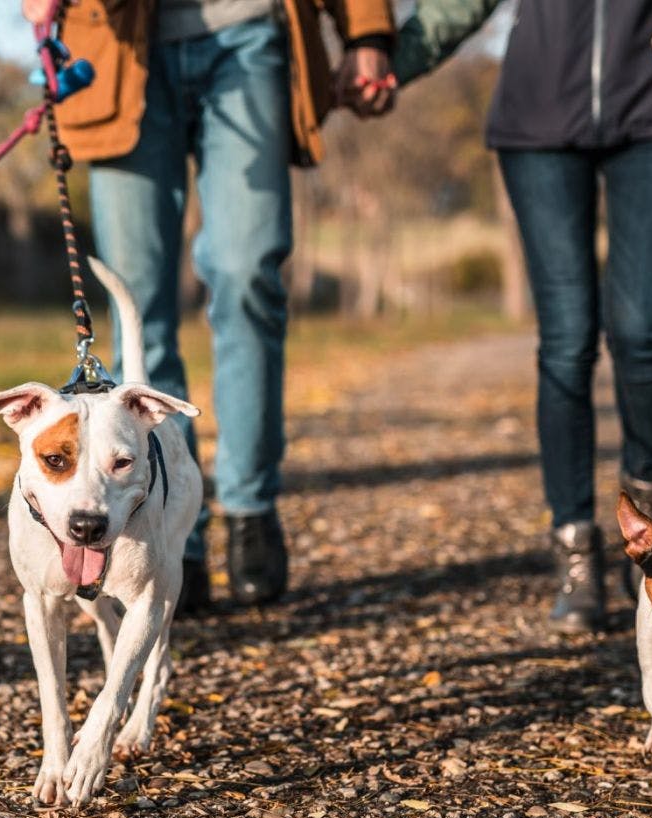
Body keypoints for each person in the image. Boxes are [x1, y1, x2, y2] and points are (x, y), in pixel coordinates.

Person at [25, 0, 398, 609]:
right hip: (115, 44)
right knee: (137, 309)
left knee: (248, 273)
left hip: (248, 34)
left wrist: (366, 29)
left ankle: (251, 509)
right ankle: (175, 531)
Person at [391, 0, 652, 631]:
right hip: (540, 112)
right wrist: (390, 64)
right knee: (567, 340)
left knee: (639, 332)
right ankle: (576, 552)